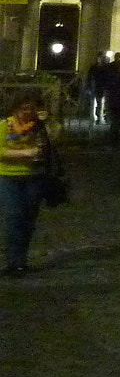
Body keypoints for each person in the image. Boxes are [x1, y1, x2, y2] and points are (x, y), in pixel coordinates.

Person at [1, 93, 55, 276]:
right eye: (24, 108)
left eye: (32, 108)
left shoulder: (40, 127)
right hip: (9, 176)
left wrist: (48, 122)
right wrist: (26, 153)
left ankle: (20, 259)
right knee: (13, 217)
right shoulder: (4, 126)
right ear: (15, 110)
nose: (28, 112)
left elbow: (55, 140)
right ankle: (13, 260)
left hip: (34, 177)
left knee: (28, 220)